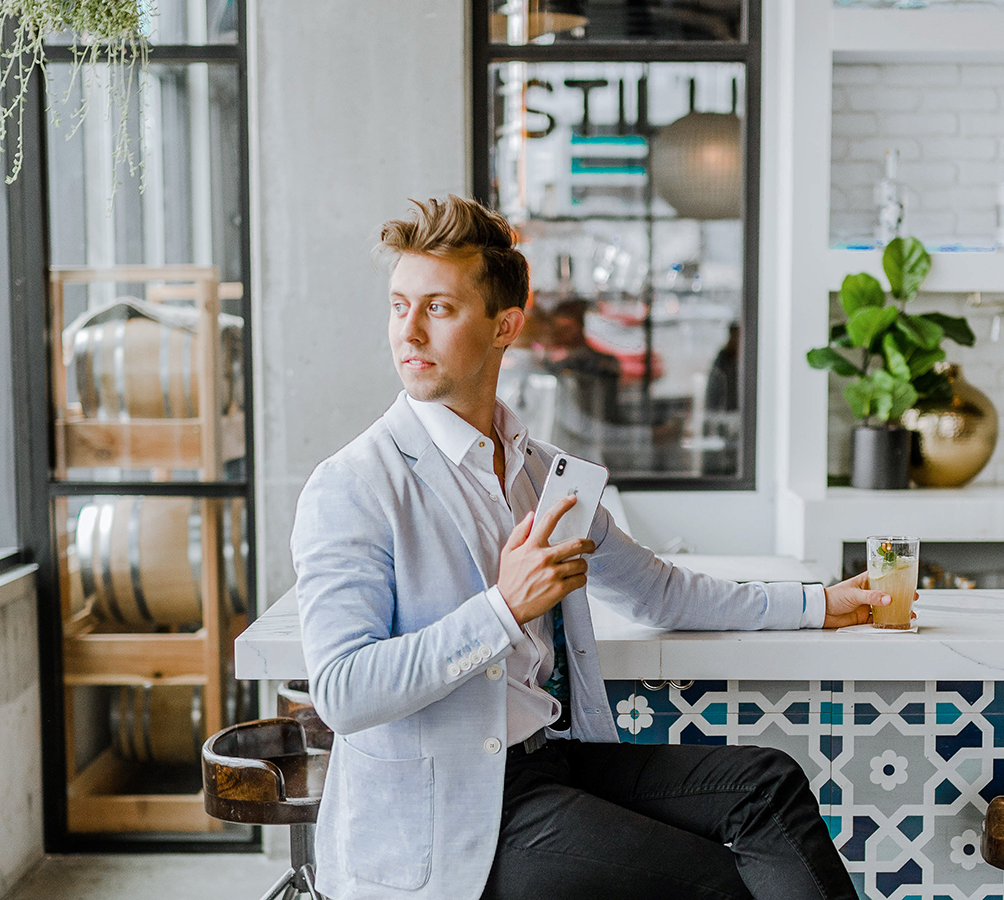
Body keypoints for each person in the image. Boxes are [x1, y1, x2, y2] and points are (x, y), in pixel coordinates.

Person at [291, 194, 889, 900]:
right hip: (449, 816)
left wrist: (819, 603)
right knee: (705, 880)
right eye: (398, 306)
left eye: (439, 308)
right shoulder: (355, 484)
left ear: (504, 325)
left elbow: (660, 590)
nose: (408, 332)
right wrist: (503, 608)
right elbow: (342, 693)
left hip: (545, 765)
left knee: (766, 786)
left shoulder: (539, 473)